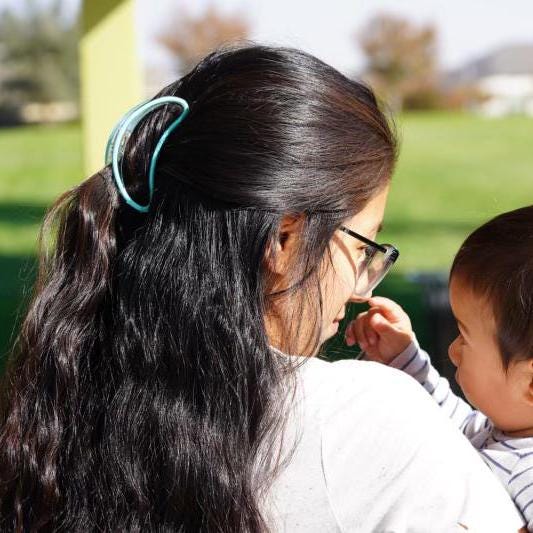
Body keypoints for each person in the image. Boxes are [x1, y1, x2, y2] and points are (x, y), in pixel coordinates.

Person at [0, 44, 524, 532]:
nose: (364, 286)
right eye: (365, 246)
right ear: (283, 239)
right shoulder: (369, 424)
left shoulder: (71, 398)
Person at [347, 206, 533, 531]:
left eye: (464, 335)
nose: (453, 351)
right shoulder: (503, 432)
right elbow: (454, 428)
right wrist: (403, 357)